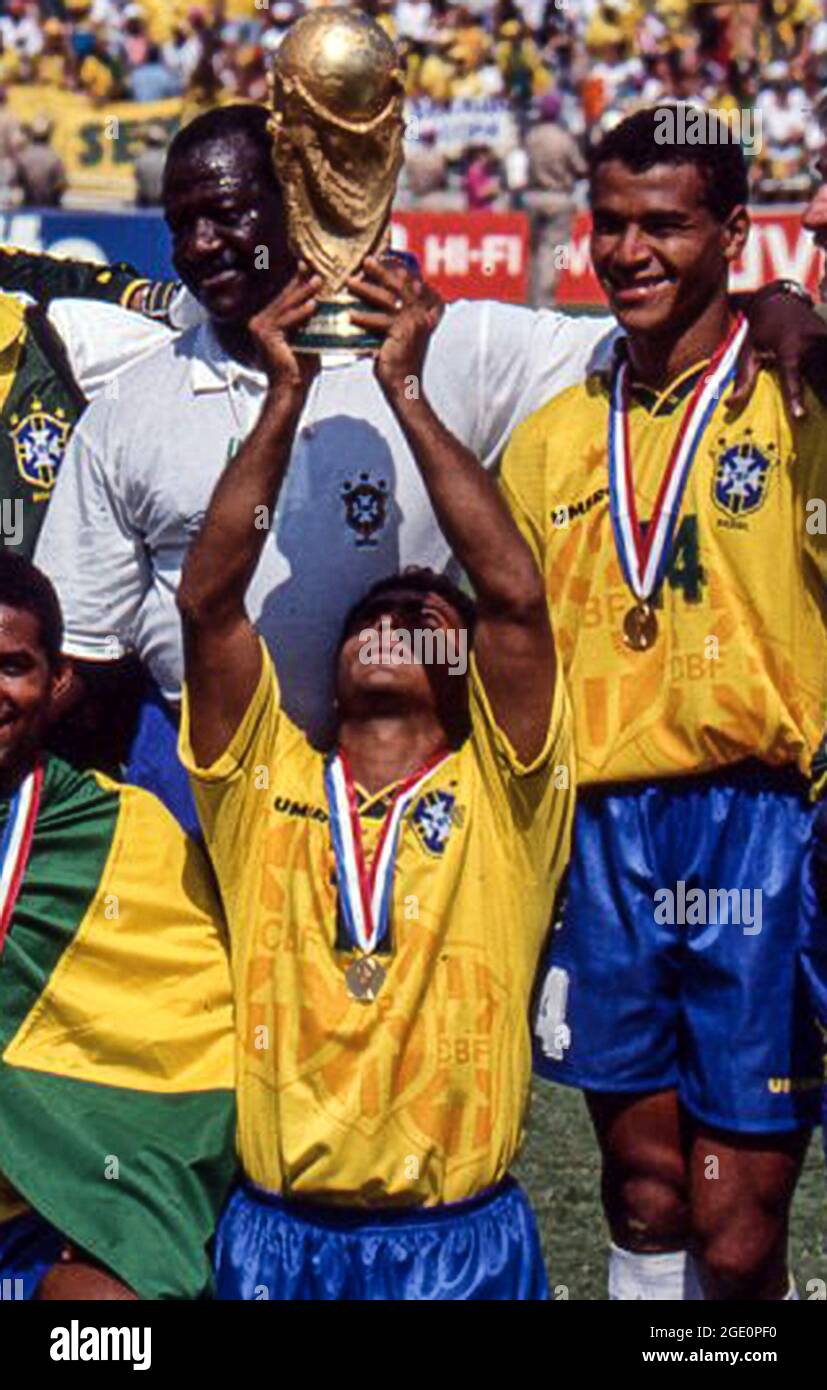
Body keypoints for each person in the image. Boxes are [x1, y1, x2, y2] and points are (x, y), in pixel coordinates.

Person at [33, 103, 825, 835]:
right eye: (181, 223)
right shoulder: (129, 411)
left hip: (423, 805)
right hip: (210, 804)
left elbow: (654, 319)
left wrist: (775, 300)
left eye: (227, 213)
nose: (199, 245)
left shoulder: (450, 345)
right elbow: (87, 663)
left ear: (304, 201)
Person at [177, 259, 573, 1301]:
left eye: (424, 617)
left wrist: (405, 389)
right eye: (373, 614)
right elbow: (210, 605)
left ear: (462, 676)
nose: (394, 617)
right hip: (276, 1241)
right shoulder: (262, 782)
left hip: (458, 1245)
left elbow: (517, 601)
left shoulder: (507, 802)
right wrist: (285, 393)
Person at [500, 106, 827, 1301]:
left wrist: (798, 311)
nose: (628, 252)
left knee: (735, 1223)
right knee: (640, 1189)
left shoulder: (800, 396)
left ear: (734, 230)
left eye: (665, 225)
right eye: (612, 224)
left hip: (765, 828)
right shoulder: (548, 439)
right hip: (601, 838)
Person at [0, 553, 235, 1301]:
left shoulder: (121, 831)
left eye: (13, 666)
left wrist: (110, 1192)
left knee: (108, 1332)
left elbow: (189, 1034)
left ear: (58, 681)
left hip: (49, 1205)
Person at [15, 116, 67, 208]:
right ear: (49, 134)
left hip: (27, 208)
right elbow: (61, 185)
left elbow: (16, 184)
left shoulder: (23, 157)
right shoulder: (55, 158)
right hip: (50, 208)